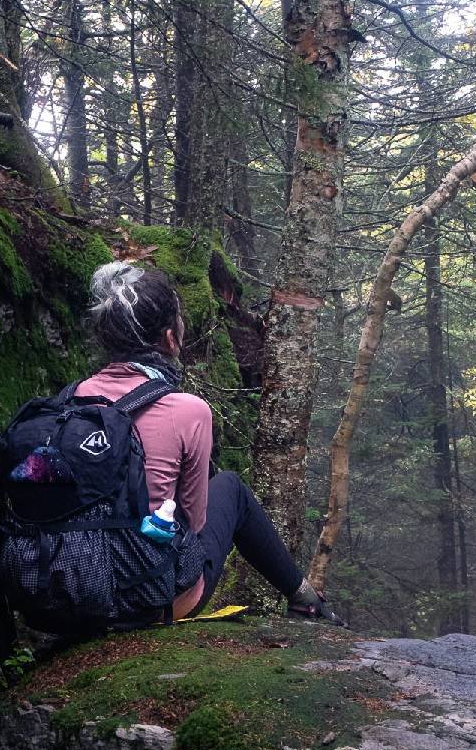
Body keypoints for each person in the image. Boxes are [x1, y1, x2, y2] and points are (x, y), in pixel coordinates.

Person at [74, 260, 345, 625]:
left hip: (74, 587)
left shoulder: (73, 398)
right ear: (171, 339)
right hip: (149, 600)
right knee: (231, 488)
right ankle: (305, 600)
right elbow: (196, 520)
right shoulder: (187, 410)